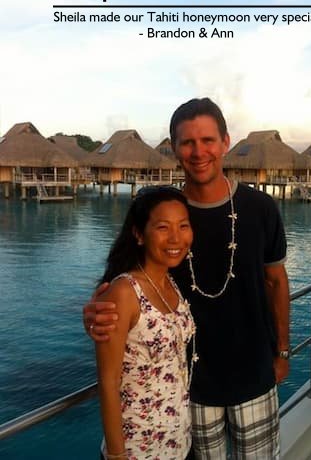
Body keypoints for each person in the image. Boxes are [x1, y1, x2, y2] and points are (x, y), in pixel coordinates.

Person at [84, 98, 290, 459]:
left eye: (208, 140)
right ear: (174, 148)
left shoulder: (260, 209)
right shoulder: (165, 216)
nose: (199, 152)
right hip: (191, 389)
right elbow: (127, 283)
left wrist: (283, 351)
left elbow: (276, 281)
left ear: (225, 142)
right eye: (187, 142)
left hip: (255, 375)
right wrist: (96, 314)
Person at [95, 186, 197, 460]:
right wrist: (117, 455)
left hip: (179, 442)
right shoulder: (124, 293)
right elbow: (108, 380)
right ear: (139, 234)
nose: (176, 237)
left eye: (183, 226)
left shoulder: (171, 283)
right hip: (138, 450)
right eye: (163, 227)